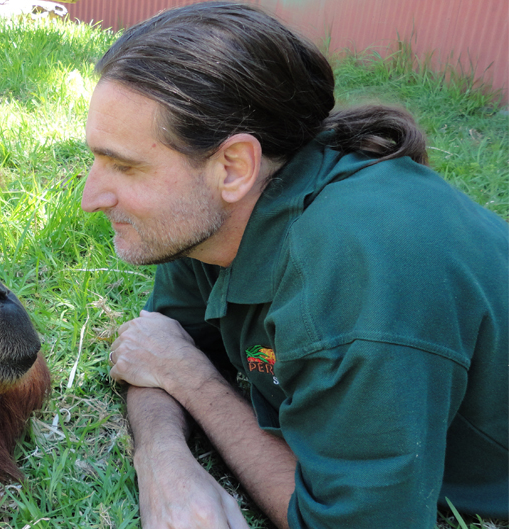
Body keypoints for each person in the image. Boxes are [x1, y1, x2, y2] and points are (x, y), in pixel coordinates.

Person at [80, 3, 508, 528]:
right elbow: (161, 341)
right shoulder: (213, 218)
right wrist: (162, 461)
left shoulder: (354, 280)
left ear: (234, 166)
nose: (91, 196)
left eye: (125, 166)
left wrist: (194, 382)